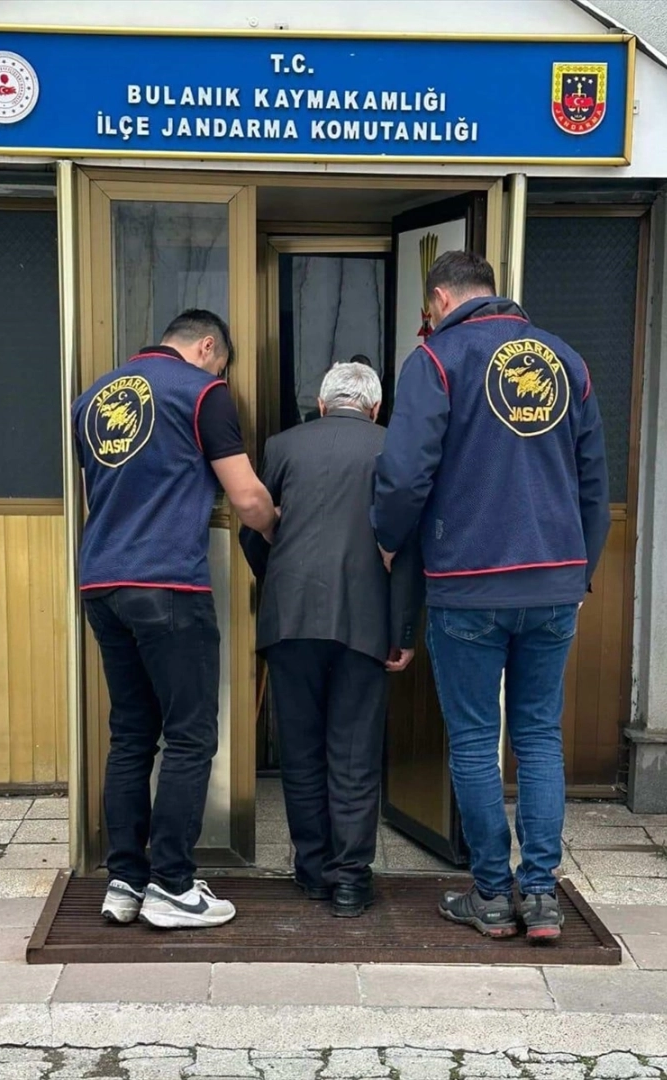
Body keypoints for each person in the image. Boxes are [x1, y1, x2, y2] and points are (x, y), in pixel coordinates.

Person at [372, 251, 610, 942]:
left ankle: (492, 896)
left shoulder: (437, 361)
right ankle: (541, 896)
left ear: (441, 299)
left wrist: (389, 538)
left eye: (428, 310)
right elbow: (594, 481)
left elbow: (404, 475)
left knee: (476, 739)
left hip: (467, 583)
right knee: (538, 736)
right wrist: (579, 572)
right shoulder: (566, 361)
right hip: (554, 581)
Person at [72, 309, 276, 930]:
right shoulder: (202, 393)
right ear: (208, 346)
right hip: (167, 584)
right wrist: (279, 533)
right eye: (223, 366)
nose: (222, 377)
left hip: (101, 582)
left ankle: (125, 881)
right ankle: (172, 886)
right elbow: (246, 496)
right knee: (190, 736)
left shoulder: (93, 399)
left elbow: (103, 493)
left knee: (132, 733)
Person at [244, 362, 422, 918]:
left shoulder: (282, 446)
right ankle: (351, 880)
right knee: (354, 751)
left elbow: (254, 530)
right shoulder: (392, 447)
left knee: (301, 751)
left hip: (290, 619)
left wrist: (279, 580)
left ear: (321, 405)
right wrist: (404, 629)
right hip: (364, 621)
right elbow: (407, 545)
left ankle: (313, 870)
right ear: (376, 408)